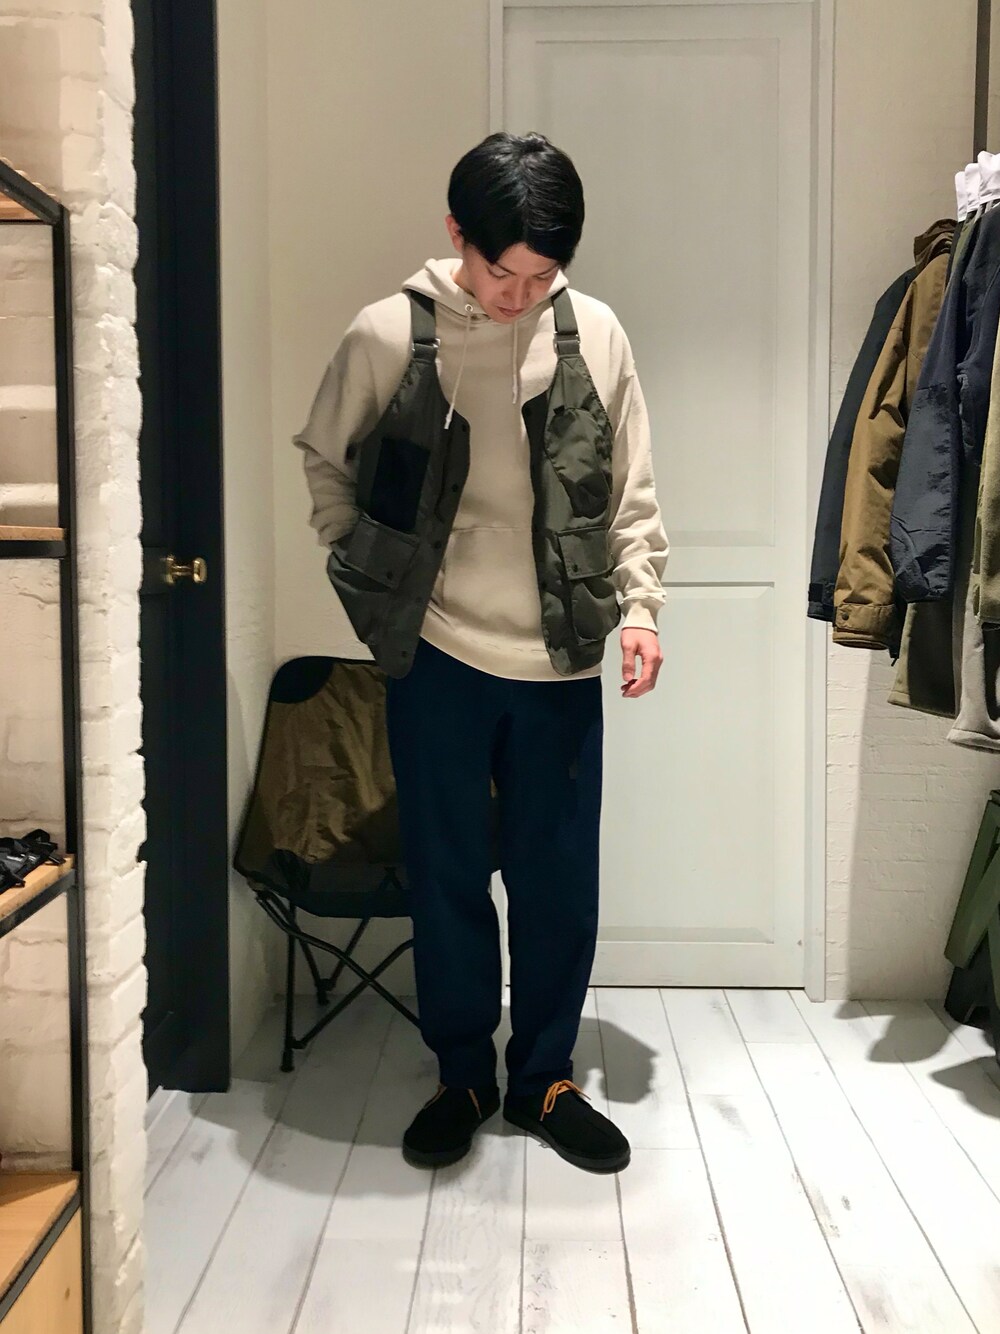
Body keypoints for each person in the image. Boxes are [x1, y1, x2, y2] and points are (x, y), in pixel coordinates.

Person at [292, 131, 668, 1175]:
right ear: (457, 233)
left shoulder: (593, 334)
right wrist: (364, 572)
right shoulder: (388, 333)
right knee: (448, 875)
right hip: (440, 654)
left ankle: (543, 1075)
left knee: (558, 882)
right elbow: (325, 455)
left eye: (542, 276)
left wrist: (642, 608)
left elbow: (631, 487)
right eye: (503, 273)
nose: (519, 296)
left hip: (562, 657)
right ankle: (461, 1073)